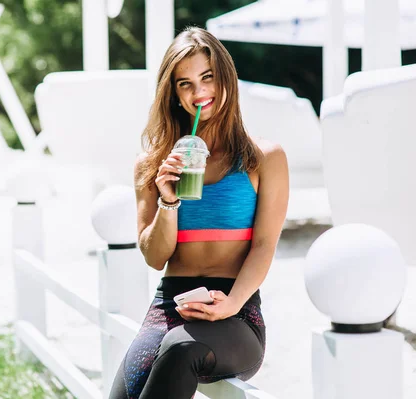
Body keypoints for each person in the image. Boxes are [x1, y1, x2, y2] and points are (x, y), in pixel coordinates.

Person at [109, 27, 289, 399]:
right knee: (125, 393)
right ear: (173, 94)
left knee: (179, 348)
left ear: (225, 77)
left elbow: (265, 245)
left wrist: (232, 304)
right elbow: (155, 257)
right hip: (169, 305)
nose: (199, 92)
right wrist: (168, 200)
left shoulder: (264, 157)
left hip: (236, 314)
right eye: (185, 83)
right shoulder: (154, 164)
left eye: (207, 77)